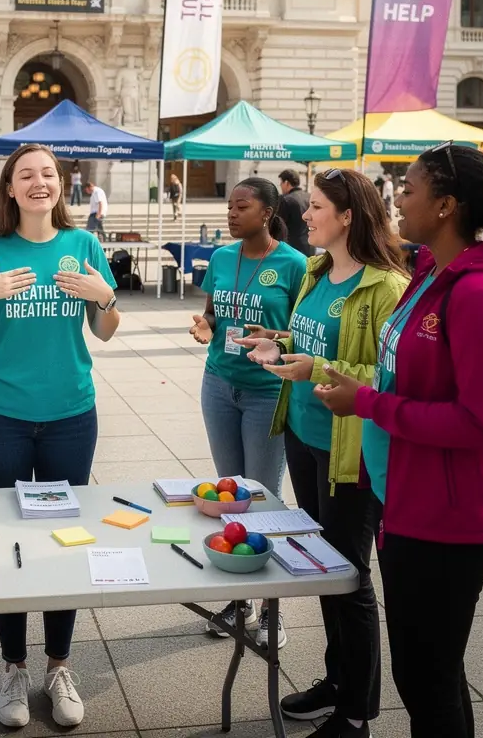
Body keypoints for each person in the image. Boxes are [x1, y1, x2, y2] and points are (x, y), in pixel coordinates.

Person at [317, 145, 483, 738]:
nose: (397, 199)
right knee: (429, 675)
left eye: (410, 189)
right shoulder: (429, 274)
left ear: (446, 206)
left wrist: (368, 404)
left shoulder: (481, 295)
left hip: (452, 519)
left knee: (427, 680)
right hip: (410, 502)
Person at [0, 143, 121, 728]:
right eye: (27, 175)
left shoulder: (83, 245)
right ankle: (14, 667)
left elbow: (106, 330)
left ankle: (59, 665)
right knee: (8, 538)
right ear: (10, 188)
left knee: (64, 535)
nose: (39, 182)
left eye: (48, 173)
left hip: (71, 415)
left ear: (61, 184)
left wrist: (104, 297)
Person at [240, 169, 409, 737]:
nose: (305, 215)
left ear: (348, 216)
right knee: (322, 567)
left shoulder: (386, 287)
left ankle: (356, 714)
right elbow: (308, 341)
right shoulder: (317, 270)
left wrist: (318, 368)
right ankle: (337, 683)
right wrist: (278, 343)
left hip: (350, 452)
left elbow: (389, 380)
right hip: (305, 438)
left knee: (348, 578)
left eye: (315, 207)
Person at [188, 178, 307, 645]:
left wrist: (276, 342)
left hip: (267, 392)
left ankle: (272, 608)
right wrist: (205, 325)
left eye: (242, 207)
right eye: (229, 207)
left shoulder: (295, 265)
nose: (232, 214)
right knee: (229, 496)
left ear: (268, 213)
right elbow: (213, 312)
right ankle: (240, 600)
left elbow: (303, 331)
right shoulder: (222, 258)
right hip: (219, 385)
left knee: (263, 499)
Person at [277, 168, 314, 256]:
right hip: (311, 245)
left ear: (286, 183)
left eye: (281, 183)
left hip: (292, 249)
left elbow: (279, 226)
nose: (280, 186)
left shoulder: (286, 200)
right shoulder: (309, 197)